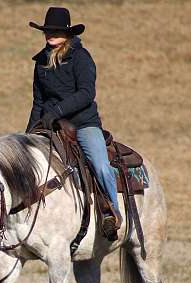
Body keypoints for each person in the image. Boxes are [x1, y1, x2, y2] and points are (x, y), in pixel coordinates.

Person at [26, 6, 122, 240]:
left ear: (68, 33)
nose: (51, 34)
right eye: (47, 30)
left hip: (83, 124)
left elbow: (86, 93)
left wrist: (57, 111)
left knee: (100, 164)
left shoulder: (81, 58)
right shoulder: (41, 62)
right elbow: (38, 101)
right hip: (50, 125)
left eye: (56, 30)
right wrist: (28, 134)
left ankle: (111, 212)